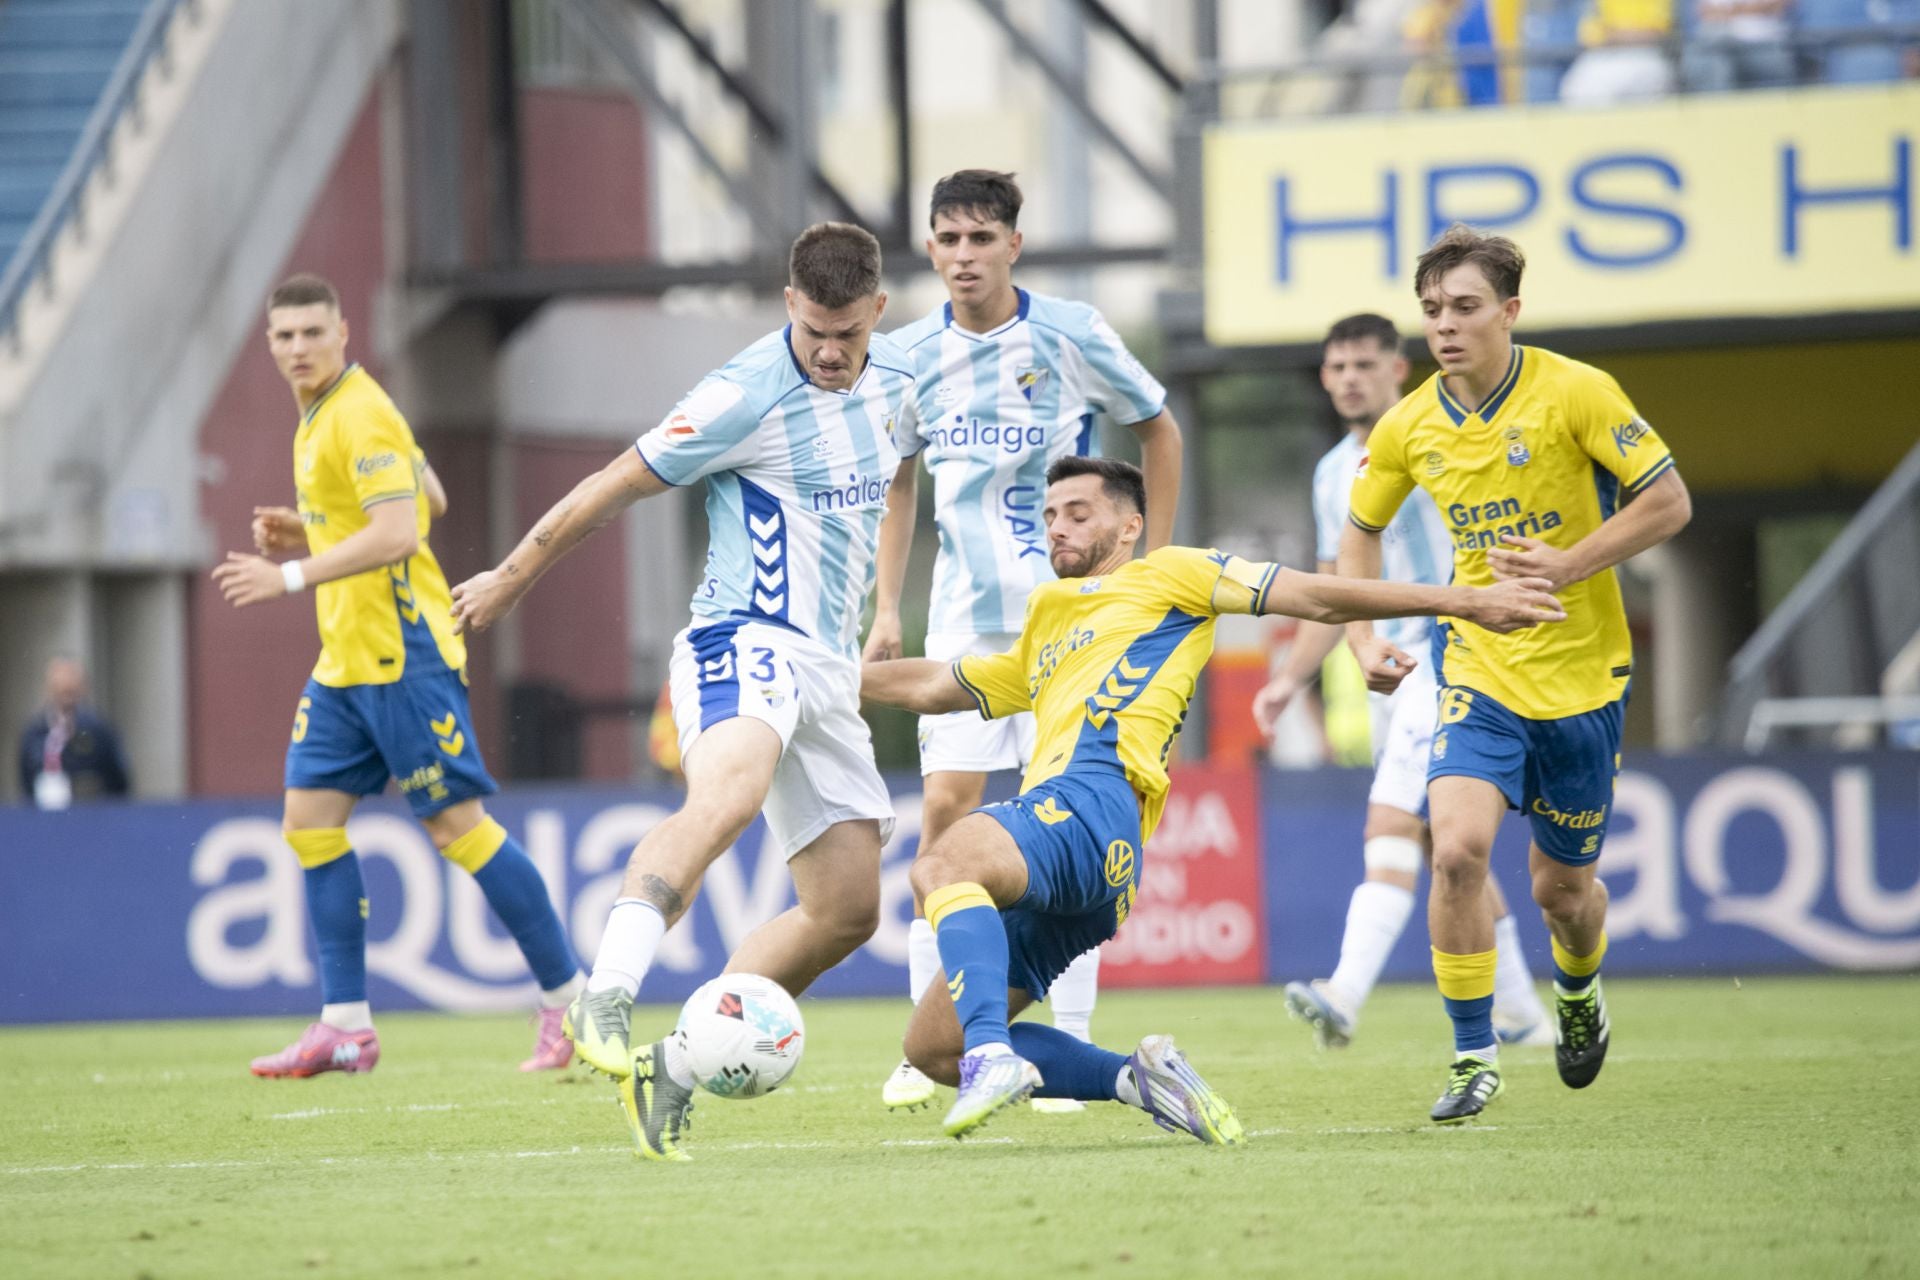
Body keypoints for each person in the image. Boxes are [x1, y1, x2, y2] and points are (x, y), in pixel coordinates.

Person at [861, 456, 1567, 1141]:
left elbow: (1316, 595)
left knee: (944, 864)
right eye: (1049, 516)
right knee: (933, 1048)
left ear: (1131, 526)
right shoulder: (1049, 615)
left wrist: (1465, 601)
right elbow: (938, 684)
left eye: (1078, 512)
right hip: (1102, 865)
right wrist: (833, 681)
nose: (1057, 528)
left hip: (1090, 802)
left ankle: (993, 1054)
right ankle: (1138, 1079)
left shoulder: (1171, 575)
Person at [449, 222, 916, 1163]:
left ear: (877, 311)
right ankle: (606, 992)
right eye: (814, 331)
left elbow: (900, 470)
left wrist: (889, 604)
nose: (830, 352)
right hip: (743, 637)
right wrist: (509, 576)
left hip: (829, 670)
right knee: (728, 796)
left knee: (847, 910)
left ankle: (675, 1067)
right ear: (789, 304)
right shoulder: (742, 394)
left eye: (848, 335)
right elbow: (612, 485)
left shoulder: (902, 380)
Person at [1339, 224, 1691, 1122]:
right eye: (1432, 310)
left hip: (1584, 679)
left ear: (1510, 310)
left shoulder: (1577, 391)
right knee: (1456, 851)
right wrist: (1361, 638)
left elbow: (1668, 501)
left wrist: (1568, 564)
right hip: (1477, 670)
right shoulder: (1409, 424)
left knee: (1560, 894)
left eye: (1464, 307)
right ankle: (1472, 1056)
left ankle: (1578, 990)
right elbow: (1359, 532)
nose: (1445, 326)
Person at [866, 170, 1184, 1115]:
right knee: (945, 815)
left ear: (1014, 244)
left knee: (1064, 822)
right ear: (930, 249)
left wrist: (1148, 569)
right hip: (965, 617)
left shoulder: (1072, 333)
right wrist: (886, 609)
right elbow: (898, 483)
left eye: (981, 238)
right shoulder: (905, 355)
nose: (963, 256)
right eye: (948, 239)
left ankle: (1069, 1048)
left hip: (1074, 618)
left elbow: (1160, 430)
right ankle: (939, 1038)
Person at [212, 274, 584, 1078]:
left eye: (313, 333)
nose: (299, 348)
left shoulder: (360, 411)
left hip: (401, 657)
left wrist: (290, 573)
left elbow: (399, 533)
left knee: (459, 830)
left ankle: (571, 1000)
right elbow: (432, 497)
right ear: (270, 344)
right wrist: (313, 525)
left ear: (343, 332)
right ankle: (345, 1027)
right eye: (285, 336)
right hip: (345, 663)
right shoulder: (323, 414)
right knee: (309, 822)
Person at [1251, 314, 1552, 1052]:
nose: (1349, 378)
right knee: (1442, 843)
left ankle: (1344, 993)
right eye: (1337, 367)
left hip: (1452, 659)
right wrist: (1291, 677)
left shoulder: (1440, 437)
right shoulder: (1332, 472)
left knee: (1389, 825)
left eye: (1364, 364)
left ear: (1397, 370)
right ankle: (1522, 1013)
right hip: (1394, 669)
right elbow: (1336, 587)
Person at [17, 656, 130, 809]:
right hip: (44, 813)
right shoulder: (34, 732)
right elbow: (25, 778)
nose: (66, 698)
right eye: (60, 690)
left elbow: (118, 779)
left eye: (70, 691)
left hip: (90, 812)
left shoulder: (98, 730)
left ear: (82, 689)